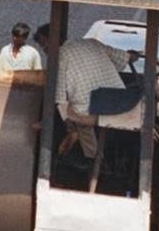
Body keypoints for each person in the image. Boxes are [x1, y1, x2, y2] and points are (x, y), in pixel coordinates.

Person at [34, 24, 129, 160]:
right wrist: (132, 56)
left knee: (78, 119)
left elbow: (60, 98)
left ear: (50, 41)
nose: (44, 50)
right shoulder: (91, 42)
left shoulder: (57, 57)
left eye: (43, 45)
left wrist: (68, 125)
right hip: (121, 101)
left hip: (91, 111)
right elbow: (124, 59)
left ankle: (93, 159)